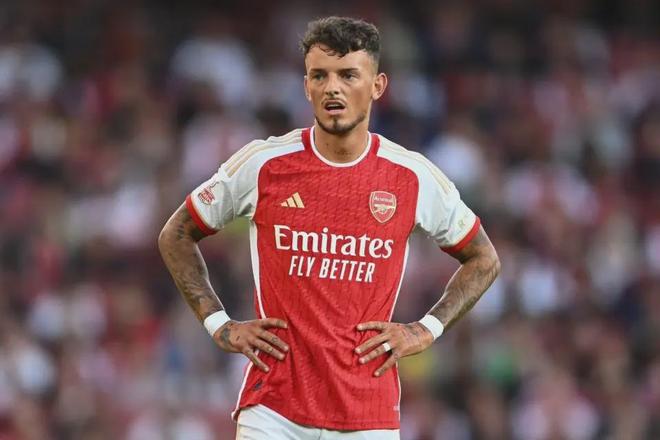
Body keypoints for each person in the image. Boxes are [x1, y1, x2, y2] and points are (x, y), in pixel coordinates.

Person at [158, 16, 500, 440]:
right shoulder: (265, 164)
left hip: (368, 414)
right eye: (319, 75)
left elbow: (483, 258)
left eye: (348, 75)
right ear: (306, 86)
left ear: (377, 86)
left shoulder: (412, 177)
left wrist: (425, 329)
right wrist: (219, 324)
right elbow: (176, 234)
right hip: (274, 409)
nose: (332, 88)